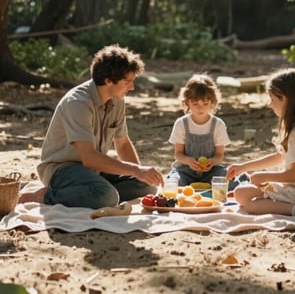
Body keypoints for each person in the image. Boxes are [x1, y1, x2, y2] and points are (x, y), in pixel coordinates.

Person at [19, 44, 164, 209]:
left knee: (147, 186)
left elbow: (122, 143)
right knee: (106, 197)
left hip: (95, 169)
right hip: (62, 169)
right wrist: (137, 170)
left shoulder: (117, 100)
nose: (132, 87)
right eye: (127, 82)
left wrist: (140, 173)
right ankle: (43, 195)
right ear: (108, 80)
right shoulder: (77, 103)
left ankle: (92, 193)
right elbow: (89, 157)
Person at [227, 68, 295, 218]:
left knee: (243, 198)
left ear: (284, 98)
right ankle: (292, 206)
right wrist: (243, 167)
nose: (270, 105)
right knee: (242, 193)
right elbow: (280, 157)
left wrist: (266, 177)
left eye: (272, 99)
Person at [168, 73, 233, 187]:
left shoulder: (218, 124)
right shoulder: (181, 124)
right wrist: (188, 161)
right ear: (187, 102)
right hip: (186, 170)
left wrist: (211, 162)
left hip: (211, 171)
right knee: (174, 181)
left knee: (227, 179)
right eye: (195, 103)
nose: (200, 107)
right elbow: (178, 154)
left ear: (213, 102)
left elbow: (219, 155)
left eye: (205, 103)